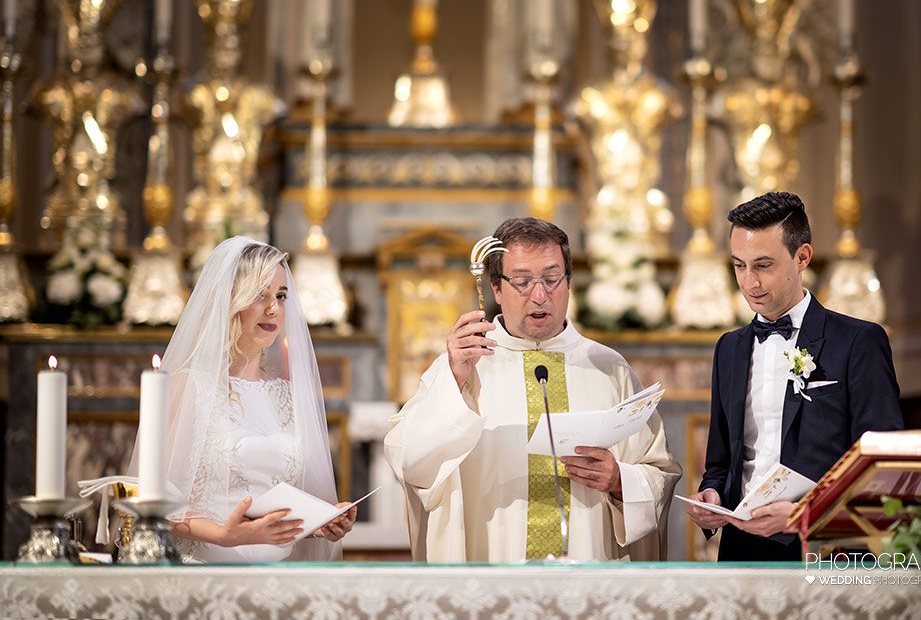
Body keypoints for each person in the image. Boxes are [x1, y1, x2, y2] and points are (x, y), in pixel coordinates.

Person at [385, 217, 681, 562]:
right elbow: (410, 461)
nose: (540, 295)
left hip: (587, 574)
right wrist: (454, 382)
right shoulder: (462, 365)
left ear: (569, 283)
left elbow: (660, 471)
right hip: (492, 572)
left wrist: (619, 480)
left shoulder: (608, 369)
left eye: (552, 279)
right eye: (523, 282)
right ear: (497, 289)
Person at [685, 192, 903, 561]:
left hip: (826, 548)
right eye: (739, 266)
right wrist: (712, 496)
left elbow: (882, 464)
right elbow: (720, 462)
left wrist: (806, 514)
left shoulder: (858, 341)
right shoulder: (729, 349)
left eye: (763, 265)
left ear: (802, 257)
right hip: (741, 548)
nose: (749, 282)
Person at [129, 237, 355, 562]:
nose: (273, 309)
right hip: (208, 575)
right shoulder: (187, 387)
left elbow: (280, 498)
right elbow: (149, 498)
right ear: (228, 300)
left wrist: (320, 522)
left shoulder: (285, 395)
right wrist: (221, 534)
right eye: (259, 295)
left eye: (280, 296)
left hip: (276, 582)